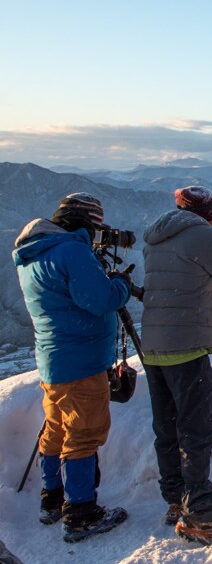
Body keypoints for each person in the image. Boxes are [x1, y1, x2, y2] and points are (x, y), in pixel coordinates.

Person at [12, 193, 133, 543]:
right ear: (84, 223)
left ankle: (51, 499)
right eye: (95, 229)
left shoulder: (34, 253)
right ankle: (81, 512)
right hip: (82, 362)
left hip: (53, 361)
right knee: (84, 433)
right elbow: (101, 300)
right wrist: (121, 285)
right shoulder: (71, 251)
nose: (98, 236)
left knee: (56, 427)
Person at [140, 185, 212, 545]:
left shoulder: (157, 236)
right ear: (209, 211)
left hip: (154, 346)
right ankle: (200, 517)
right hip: (187, 347)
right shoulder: (201, 237)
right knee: (196, 432)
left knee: (167, 428)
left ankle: (175, 501)